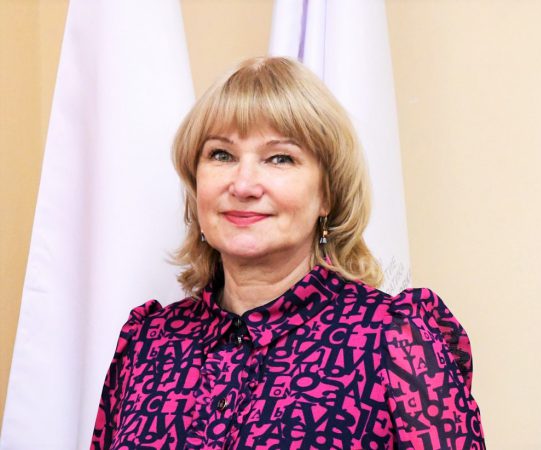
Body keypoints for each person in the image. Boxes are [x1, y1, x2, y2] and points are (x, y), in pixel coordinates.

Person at [90, 57, 485, 449]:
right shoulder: (149, 343)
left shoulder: (395, 342)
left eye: (279, 158)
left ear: (327, 194)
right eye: (221, 155)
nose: (243, 185)